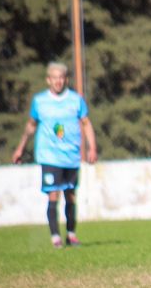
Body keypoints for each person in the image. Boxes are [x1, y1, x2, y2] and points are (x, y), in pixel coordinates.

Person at [12, 62, 97, 248]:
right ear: (48, 80)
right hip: (49, 156)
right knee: (53, 195)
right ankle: (55, 237)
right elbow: (31, 125)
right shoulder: (39, 101)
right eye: (54, 78)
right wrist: (20, 148)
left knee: (71, 195)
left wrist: (92, 147)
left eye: (61, 77)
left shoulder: (76, 100)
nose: (58, 81)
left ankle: (71, 235)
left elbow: (86, 123)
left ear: (66, 79)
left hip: (71, 156)